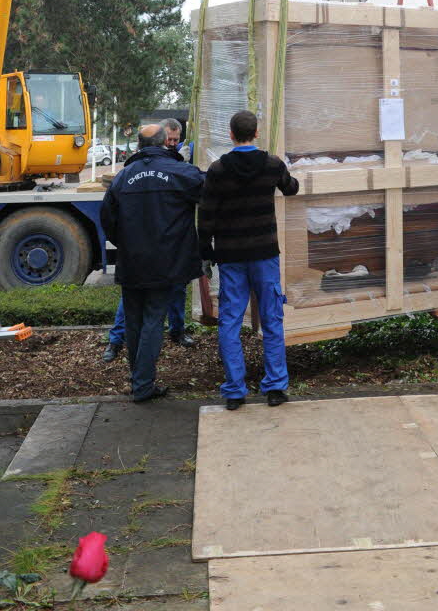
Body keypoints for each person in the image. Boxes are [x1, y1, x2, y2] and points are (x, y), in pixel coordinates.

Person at [197, 109, 299, 411]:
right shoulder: (271, 164)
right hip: (264, 253)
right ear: (256, 133)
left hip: (231, 256)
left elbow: (206, 214)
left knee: (229, 321)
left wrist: (206, 252)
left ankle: (234, 390)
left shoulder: (217, 170)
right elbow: (290, 188)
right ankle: (276, 387)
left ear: (231, 135)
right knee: (271, 318)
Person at [100, 123, 204, 401]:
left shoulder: (123, 178)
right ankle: (143, 386)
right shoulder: (181, 173)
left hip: (132, 261)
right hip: (165, 263)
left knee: (134, 322)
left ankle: (138, 380)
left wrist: (127, 244)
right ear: (164, 143)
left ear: (138, 145)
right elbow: (209, 190)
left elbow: (107, 220)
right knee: (154, 321)